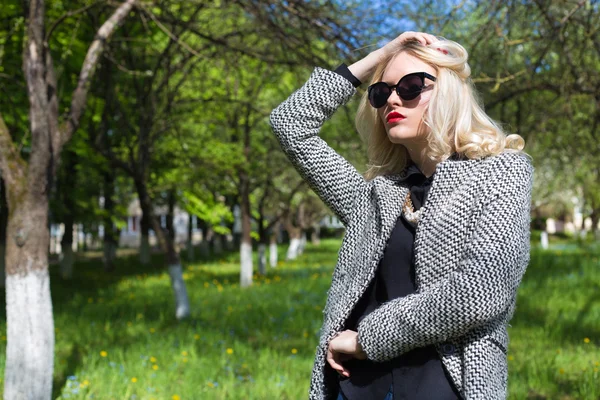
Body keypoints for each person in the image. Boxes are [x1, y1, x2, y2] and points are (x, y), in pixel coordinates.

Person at [269, 31, 534, 400]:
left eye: (410, 86)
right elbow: (291, 124)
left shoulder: (501, 172)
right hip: (354, 387)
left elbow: (481, 292)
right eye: (382, 92)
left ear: (448, 91)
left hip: (446, 387)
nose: (392, 98)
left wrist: (368, 339)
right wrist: (381, 56)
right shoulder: (376, 196)